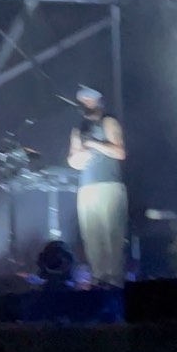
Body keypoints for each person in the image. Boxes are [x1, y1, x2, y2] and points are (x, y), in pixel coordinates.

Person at [67, 87, 127, 286]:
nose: (84, 103)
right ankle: (99, 280)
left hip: (109, 185)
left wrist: (94, 144)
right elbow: (72, 160)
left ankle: (115, 282)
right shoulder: (78, 129)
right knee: (92, 239)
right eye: (82, 100)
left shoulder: (108, 121)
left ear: (98, 101)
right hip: (87, 188)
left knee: (113, 237)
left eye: (88, 99)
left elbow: (119, 152)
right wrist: (78, 157)